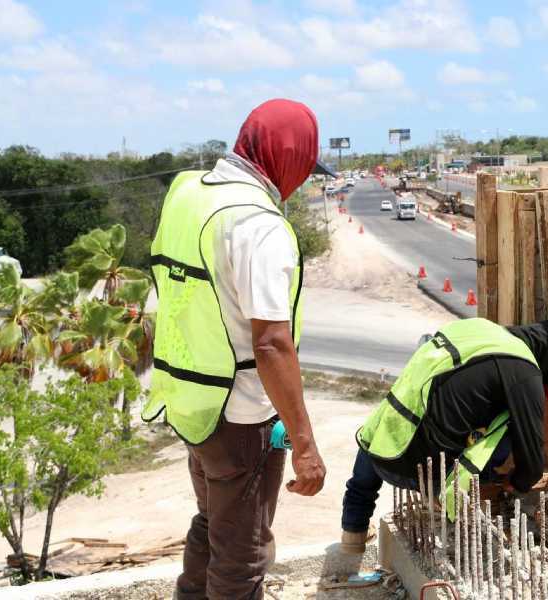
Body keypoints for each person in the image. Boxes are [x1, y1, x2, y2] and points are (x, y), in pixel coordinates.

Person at [144, 99, 328, 599]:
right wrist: (305, 444)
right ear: (287, 156)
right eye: (305, 168)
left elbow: (161, 298)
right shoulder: (257, 224)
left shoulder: (188, 194)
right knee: (242, 555)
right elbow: (271, 342)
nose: (303, 181)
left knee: (213, 523)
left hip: (190, 401)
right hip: (241, 413)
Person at [340, 317, 548, 553]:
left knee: (408, 413)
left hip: (382, 446)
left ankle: (353, 531)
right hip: (422, 473)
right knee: (510, 424)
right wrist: (516, 483)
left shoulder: (477, 329)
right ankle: (446, 497)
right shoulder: (525, 371)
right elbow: (532, 463)